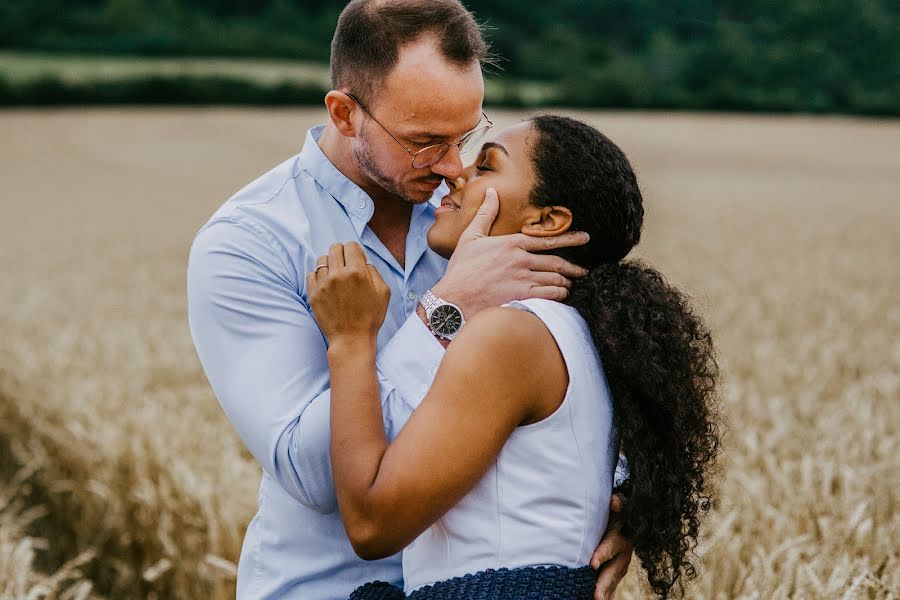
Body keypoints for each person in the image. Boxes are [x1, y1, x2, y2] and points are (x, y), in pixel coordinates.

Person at [187, 1, 633, 598]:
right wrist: (448, 309)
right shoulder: (249, 243)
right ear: (345, 114)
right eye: (425, 141)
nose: (453, 166)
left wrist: (615, 495)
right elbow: (312, 476)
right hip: (323, 587)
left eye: (467, 135)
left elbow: (579, 365)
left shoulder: (474, 211)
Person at [307, 115, 722, 599]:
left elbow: (372, 526)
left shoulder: (509, 337)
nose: (456, 173)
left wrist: (352, 339)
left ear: (547, 221)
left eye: (486, 166)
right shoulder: (587, 333)